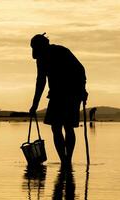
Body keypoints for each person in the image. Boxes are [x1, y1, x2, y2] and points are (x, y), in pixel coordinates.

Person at [29, 33, 88, 165]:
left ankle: (68, 159)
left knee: (67, 127)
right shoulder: (41, 59)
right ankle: (64, 160)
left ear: (41, 46)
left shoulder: (61, 51)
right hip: (56, 94)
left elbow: (80, 70)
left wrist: (83, 90)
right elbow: (41, 81)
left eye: (34, 47)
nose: (33, 51)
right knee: (56, 128)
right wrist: (35, 104)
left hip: (72, 94)